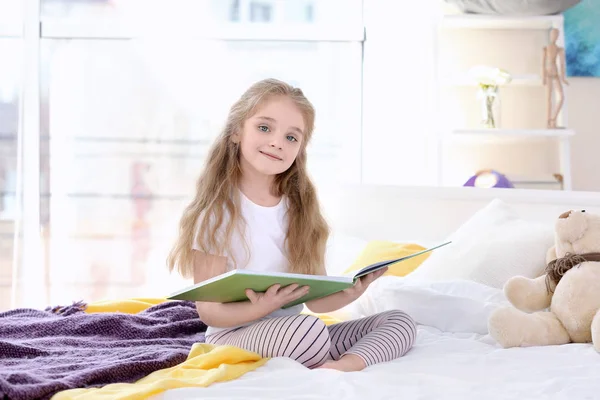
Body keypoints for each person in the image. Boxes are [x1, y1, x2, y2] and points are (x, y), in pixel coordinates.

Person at [167, 78, 417, 371]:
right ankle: (323, 357)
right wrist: (260, 308)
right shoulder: (217, 215)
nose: (277, 142)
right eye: (264, 128)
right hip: (234, 334)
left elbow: (316, 303)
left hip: (293, 333)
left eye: (291, 137)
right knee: (309, 331)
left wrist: (350, 293)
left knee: (400, 321)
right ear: (236, 132)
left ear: (300, 149)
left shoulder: (301, 211)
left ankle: (340, 368)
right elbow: (209, 311)